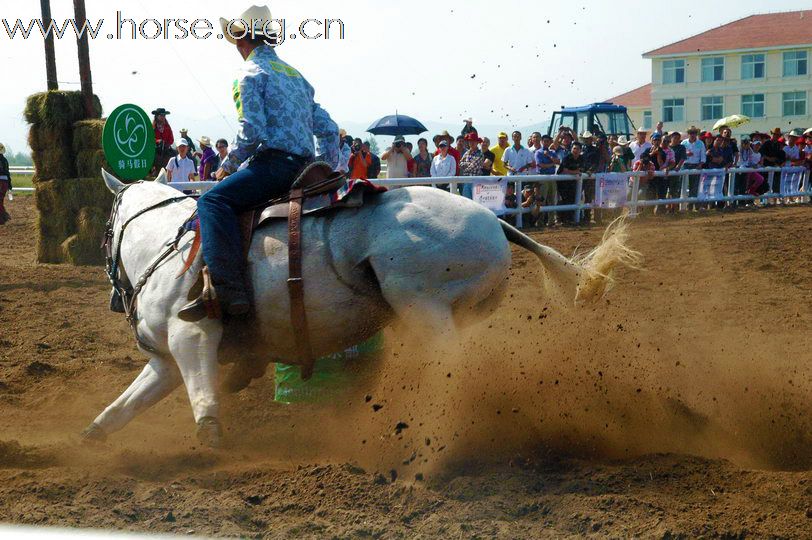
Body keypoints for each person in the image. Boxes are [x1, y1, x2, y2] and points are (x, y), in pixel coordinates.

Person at [179, 5, 339, 321]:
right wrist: (325, 168)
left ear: (241, 42)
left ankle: (227, 291)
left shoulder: (249, 74)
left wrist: (229, 163)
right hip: (304, 170)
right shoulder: (297, 77)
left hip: (274, 166)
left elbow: (252, 130)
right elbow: (330, 130)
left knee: (212, 201)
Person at [556, 141, 585, 224]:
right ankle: (560, 219)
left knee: (573, 199)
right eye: (574, 148)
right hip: (562, 183)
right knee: (564, 200)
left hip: (573, 183)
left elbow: (582, 169)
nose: (575, 150)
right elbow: (564, 170)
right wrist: (576, 172)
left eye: (577, 149)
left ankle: (570, 219)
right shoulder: (567, 157)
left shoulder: (581, 158)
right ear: (571, 149)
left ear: (580, 150)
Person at [681, 126, 705, 209]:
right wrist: (686, 154)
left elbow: (703, 157)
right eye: (691, 133)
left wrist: (699, 165)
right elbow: (680, 155)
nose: (692, 134)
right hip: (685, 166)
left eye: (694, 133)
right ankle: (685, 205)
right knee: (685, 186)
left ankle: (691, 205)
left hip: (696, 165)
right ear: (688, 134)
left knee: (694, 186)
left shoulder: (701, 143)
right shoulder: (683, 143)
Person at [459, 132, 485, 198]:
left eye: (474, 141)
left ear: (477, 143)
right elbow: (460, 164)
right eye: (470, 141)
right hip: (466, 181)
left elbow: (473, 167)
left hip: (476, 182)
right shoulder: (467, 152)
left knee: (476, 202)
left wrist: (465, 166)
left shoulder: (480, 154)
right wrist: (468, 164)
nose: (472, 143)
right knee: (466, 202)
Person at [0, 143, 10, 225]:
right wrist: (10, 184)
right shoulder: (5, 160)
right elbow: (7, 173)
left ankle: (4, 217)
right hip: (5, 182)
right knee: (1, 200)